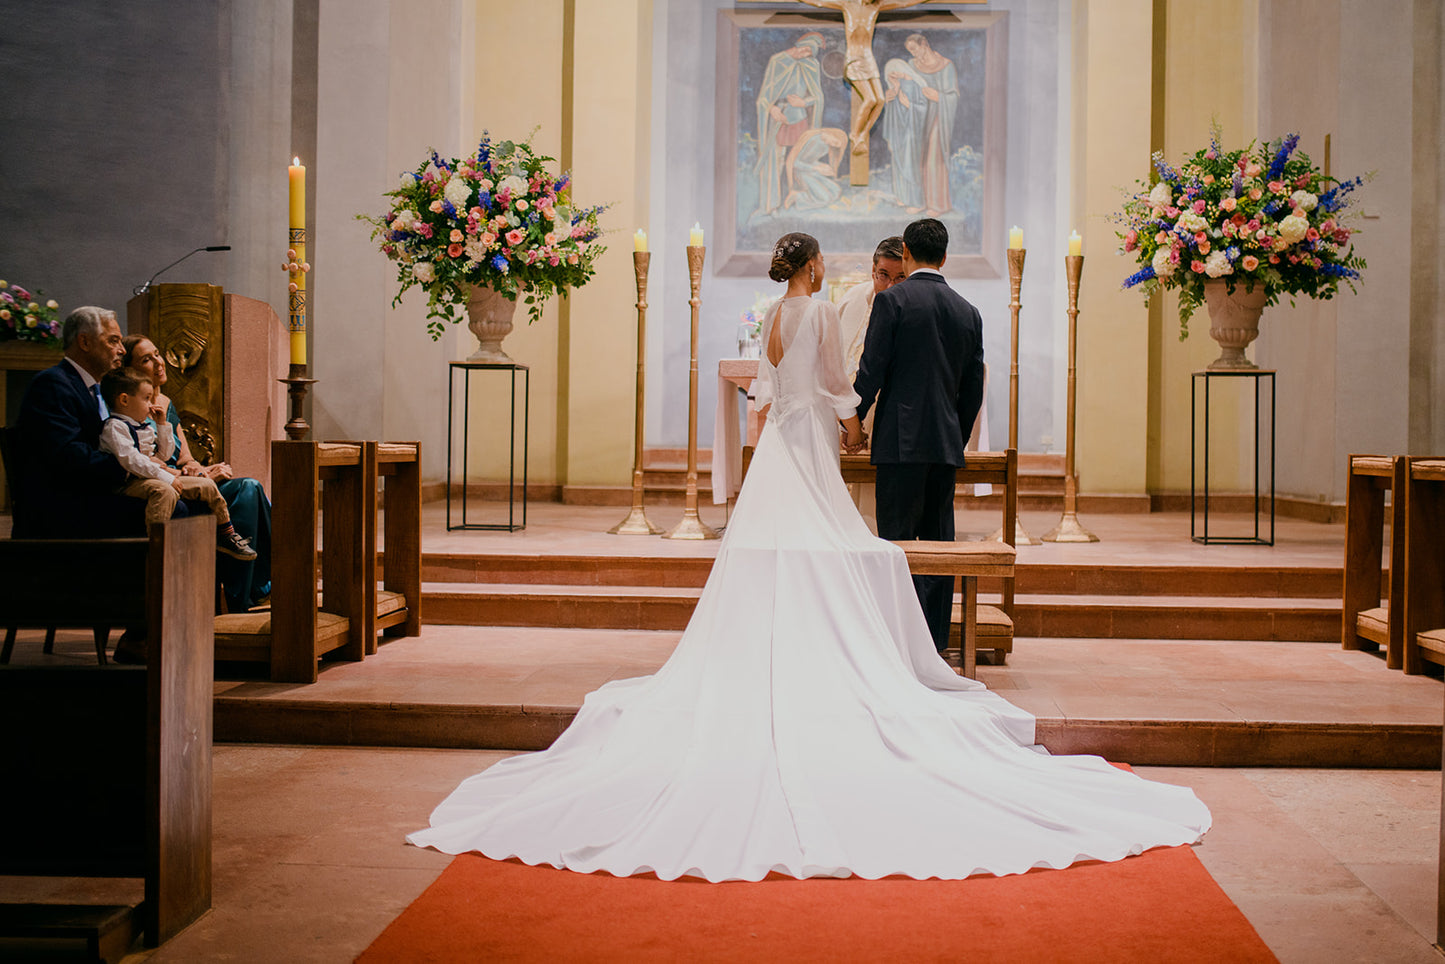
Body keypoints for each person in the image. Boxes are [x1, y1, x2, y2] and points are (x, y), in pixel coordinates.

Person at [407, 230, 1210, 883]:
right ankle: (869, 645)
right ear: (816, 268)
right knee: (849, 546)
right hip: (815, 439)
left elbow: (763, 385)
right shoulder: (825, 310)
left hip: (779, 444)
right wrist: (849, 415)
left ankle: (768, 643)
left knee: (774, 547)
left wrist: (803, 407)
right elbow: (837, 382)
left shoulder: (771, 316)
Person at [853, 218, 980, 653]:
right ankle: (936, 643)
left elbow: (871, 372)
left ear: (905, 251)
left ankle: (895, 645)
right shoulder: (968, 311)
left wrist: (851, 419)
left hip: (898, 444)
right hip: (943, 448)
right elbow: (972, 391)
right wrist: (953, 437)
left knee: (896, 546)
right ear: (945, 257)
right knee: (940, 544)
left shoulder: (893, 302)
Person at [122, 335, 273, 611]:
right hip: (169, 489)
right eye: (146, 359)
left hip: (188, 481)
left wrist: (202, 469)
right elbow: (144, 463)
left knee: (251, 490)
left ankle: (251, 592)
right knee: (248, 491)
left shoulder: (166, 403)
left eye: (157, 354)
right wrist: (200, 477)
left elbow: (185, 457)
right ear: (130, 369)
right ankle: (251, 593)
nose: (158, 362)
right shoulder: (131, 408)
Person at [11, 306, 160, 538]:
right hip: (61, 508)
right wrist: (133, 468)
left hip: (93, 494)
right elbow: (70, 456)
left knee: (190, 498)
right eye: (113, 341)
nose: (121, 350)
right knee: (175, 507)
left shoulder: (98, 388)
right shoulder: (52, 384)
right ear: (85, 342)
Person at [97, 367, 256, 560]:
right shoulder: (115, 427)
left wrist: (162, 424)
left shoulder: (143, 425)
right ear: (124, 400)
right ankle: (156, 547)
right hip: (129, 482)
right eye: (146, 398)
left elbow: (164, 455)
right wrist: (165, 476)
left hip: (151, 476)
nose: (150, 405)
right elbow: (132, 461)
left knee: (207, 485)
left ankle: (226, 534)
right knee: (165, 492)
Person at [837, 236, 907, 532]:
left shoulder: (911, 306)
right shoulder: (852, 300)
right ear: (873, 271)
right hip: (846, 419)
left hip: (887, 422)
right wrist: (847, 422)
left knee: (878, 514)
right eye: (884, 276)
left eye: (900, 277)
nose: (890, 286)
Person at [881, 33, 959, 215]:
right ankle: (916, 200)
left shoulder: (946, 66)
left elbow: (953, 96)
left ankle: (937, 204)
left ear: (924, 43)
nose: (914, 54)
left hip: (936, 118)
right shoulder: (911, 66)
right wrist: (894, 90)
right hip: (915, 119)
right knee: (914, 157)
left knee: (932, 159)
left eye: (915, 49)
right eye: (910, 51)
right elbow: (907, 91)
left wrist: (939, 96)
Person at [753, 32, 825, 219]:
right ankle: (772, 204)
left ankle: (801, 199)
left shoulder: (811, 65)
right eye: (806, 48)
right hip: (778, 118)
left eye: (811, 51)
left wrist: (804, 102)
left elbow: (817, 96)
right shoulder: (778, 61)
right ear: (799, 43)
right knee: (775, 161)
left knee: (799, 160)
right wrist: (771, 108)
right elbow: (763, 96)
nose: (807, 53)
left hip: (799, 117)